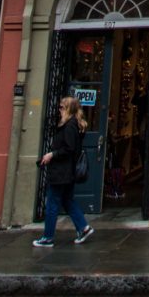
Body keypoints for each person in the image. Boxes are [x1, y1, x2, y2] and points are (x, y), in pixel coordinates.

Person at [34, 95, 95, 247]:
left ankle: (48, 237)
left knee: (52, 203)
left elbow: (69, 148)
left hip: (61, 171)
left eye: (62, 107)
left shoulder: (70, 126)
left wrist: (52, 154)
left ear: (68, 109)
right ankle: (83, 228)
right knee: (67, 200)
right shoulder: (73, 125)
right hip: (67, 171)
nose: (59, 110)